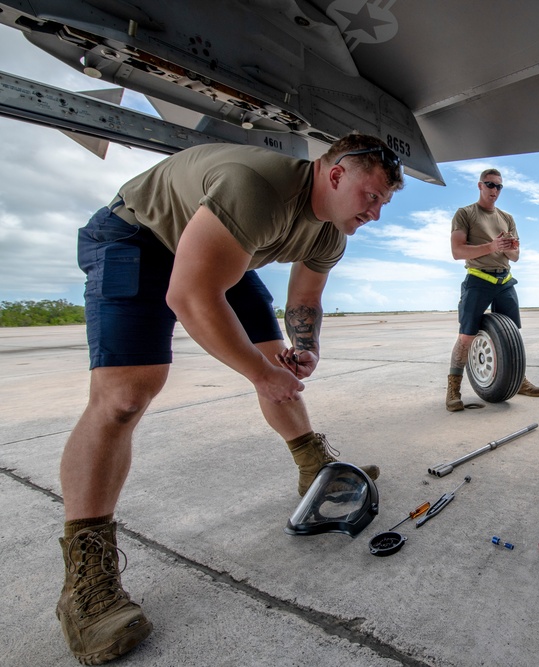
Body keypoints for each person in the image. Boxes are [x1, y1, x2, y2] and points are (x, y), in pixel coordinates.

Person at [57, 134, 404, 664]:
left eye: (384, 203)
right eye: (372, 196)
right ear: (336, 175)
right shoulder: (258, 188)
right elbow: (190, 294)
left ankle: (313, 465)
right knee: (126, 394)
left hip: (223, 250)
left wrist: (302, 350)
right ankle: (86, 582)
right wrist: (261, 375)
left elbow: (305, 298)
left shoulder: (331, 231)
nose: (376, 213)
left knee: (276, 361)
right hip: (138, 236)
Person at [445, 168, 539, 411]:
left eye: (499, 186)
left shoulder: (507, 218)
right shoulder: (465, 213)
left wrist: (507, 248)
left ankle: (518, 381)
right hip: (478, 279)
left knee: (512, 335)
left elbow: (515, 255)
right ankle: (453, 389)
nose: (495, 190)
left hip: (504, 281)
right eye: (490, 185)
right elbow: (457, 251)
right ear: (480, 186)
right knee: (467, 336)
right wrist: (492, 246)